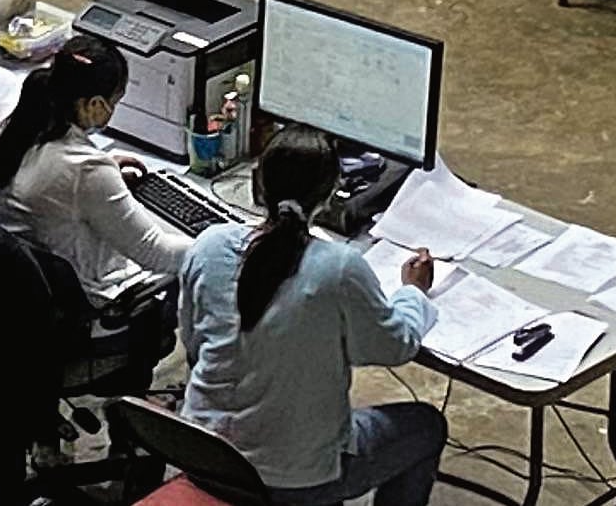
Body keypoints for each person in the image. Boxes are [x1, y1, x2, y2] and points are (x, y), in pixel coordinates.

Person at [175, 125, 445, 506]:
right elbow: (396, 345)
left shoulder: (208, 247)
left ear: (259, 184)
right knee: (425, 426)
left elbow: (192, 342)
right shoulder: (338, 269)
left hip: (206, 456)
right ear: (331, 192)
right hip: (293, 479)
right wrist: (413, 292)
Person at [0, 31, 191, 309]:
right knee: (200, 260)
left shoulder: (3, 118)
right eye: (115, 101)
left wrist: (103, 172)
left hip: (15, 286)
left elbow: (41, 179)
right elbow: (155, 253)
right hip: (85, 302)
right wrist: (226, 244)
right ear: (96, 104)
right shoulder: (85, 171)